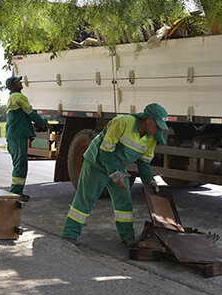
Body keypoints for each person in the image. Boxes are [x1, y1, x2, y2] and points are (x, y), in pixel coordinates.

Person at [61, 103, 169, 248]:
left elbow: (143, 163)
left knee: (124, 200)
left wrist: (149, 180)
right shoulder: (122, 122)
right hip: (97, 163)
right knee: (86, 198)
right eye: (158, 125)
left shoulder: (152, 138)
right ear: (149, 119)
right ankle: (69, 234)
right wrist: (113, 173)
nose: (159, 130)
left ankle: (127, 236)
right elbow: (105, 151)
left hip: (118, 166)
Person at [5, 75, 49, 202]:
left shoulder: (12, 98)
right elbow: (31, 113)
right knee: (20, 164)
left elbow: (20, 118)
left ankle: (16, 192)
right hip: (18, 136)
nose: (20, 82)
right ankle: (16, 193)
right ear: (12, 86)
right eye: (18, 81)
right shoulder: (18, 97)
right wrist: (43, 123)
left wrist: (32, 127)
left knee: (18, 164)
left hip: (14, 135)